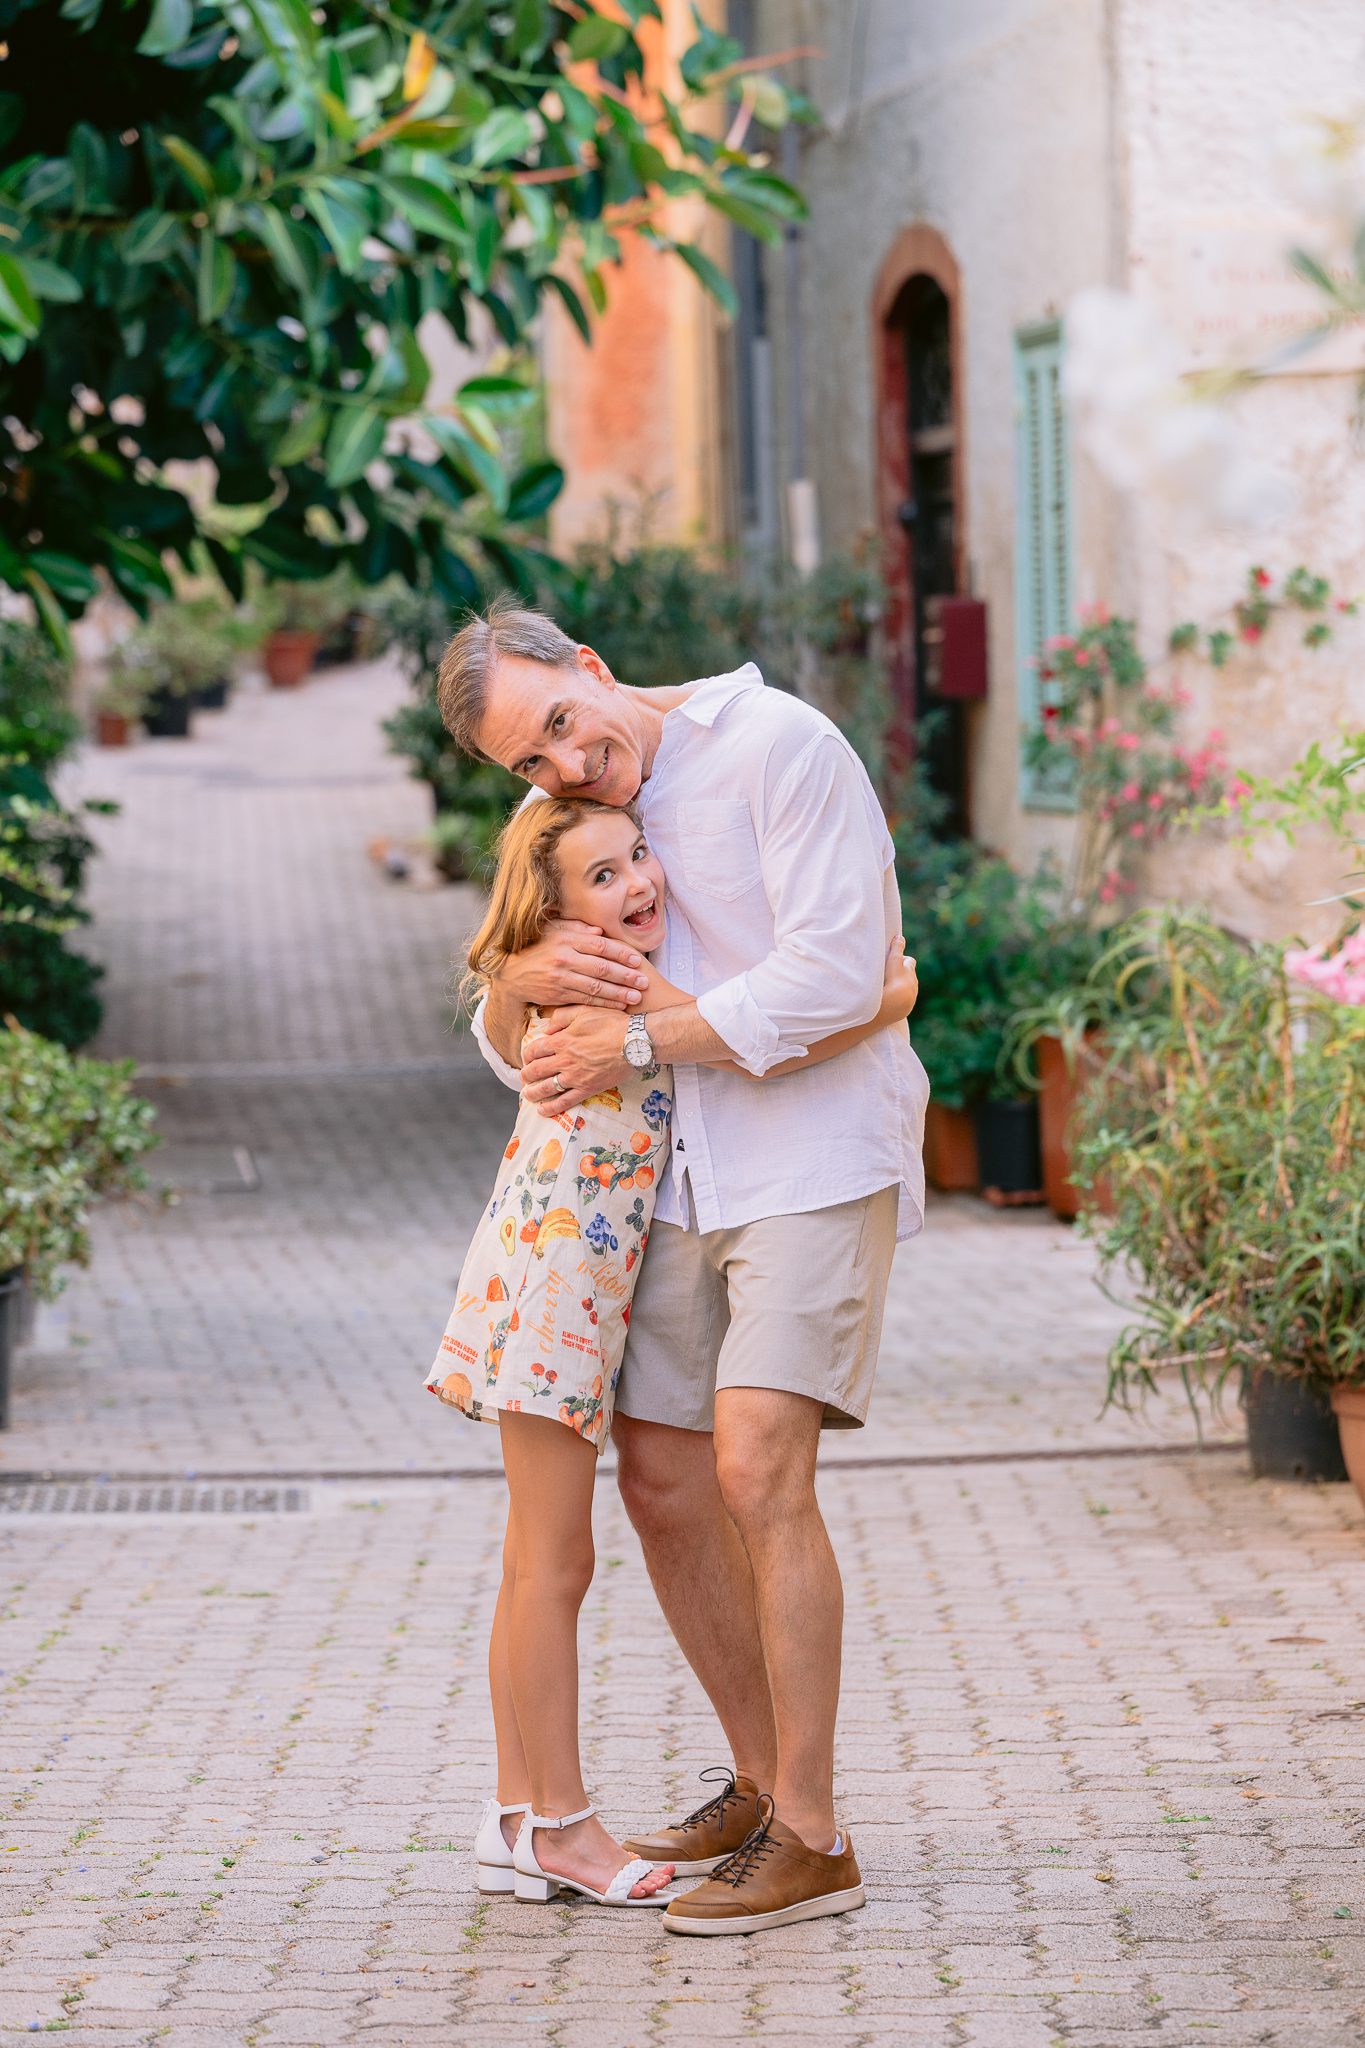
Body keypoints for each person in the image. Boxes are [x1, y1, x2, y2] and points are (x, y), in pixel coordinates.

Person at [440, 598, 930, 1935]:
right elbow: (518, 1043)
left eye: (561, 724)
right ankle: (764, 1788)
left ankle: (814, 1836)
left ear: (591, 669)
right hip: (662, 1176)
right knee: (661, 1482)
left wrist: (644, 1039)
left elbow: (838, 975)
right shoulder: (573, 821)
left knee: (757, 1461)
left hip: (811, 1156)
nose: (565, 765)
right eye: (529, 761)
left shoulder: (780, 746)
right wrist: (519, 989)